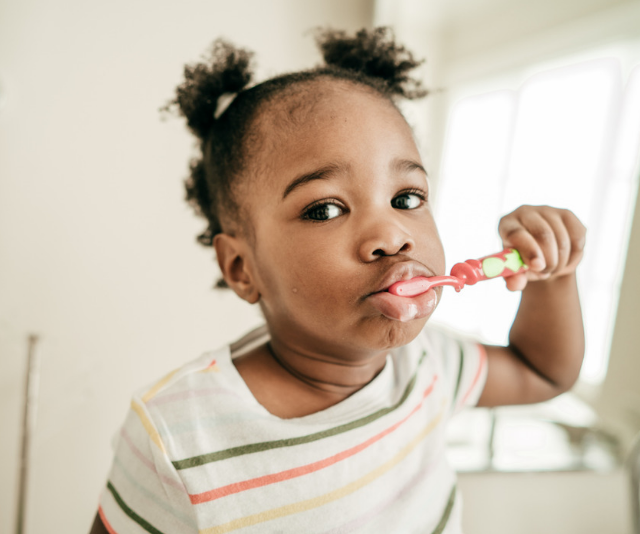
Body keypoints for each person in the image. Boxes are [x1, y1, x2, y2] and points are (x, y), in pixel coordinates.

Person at [90, 27, 586, 534]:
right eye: (325, 209)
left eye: (407, 198)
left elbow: (543, 373)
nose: (391, 236)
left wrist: (554, 273)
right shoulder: (176, 433)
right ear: (242, 268)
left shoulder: (428, 363)